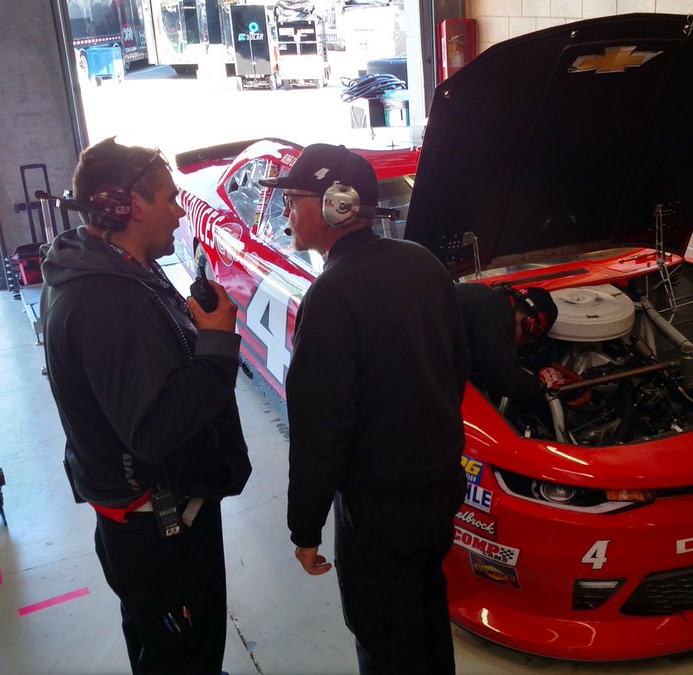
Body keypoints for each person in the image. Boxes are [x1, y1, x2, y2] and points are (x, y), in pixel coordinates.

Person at [41, 137, 252, 674]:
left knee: (172, 646)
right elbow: (155, 433)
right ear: (130, 207)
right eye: (168, 198)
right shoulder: (107, 302)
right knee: (181, 651)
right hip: (158, 526)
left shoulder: (109, 268)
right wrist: (218, 343)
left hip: (151, 519)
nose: (181, 209)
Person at [267, 144, 469, 674]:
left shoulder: (332, 295)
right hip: (438, 493)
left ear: (337, 205)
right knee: (426, 620)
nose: (286, 210)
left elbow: (320, 432)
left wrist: (304, 529)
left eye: (294, 199)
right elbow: (456, 369)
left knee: (385, 640)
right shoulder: (422, 263)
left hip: (379, 515)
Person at [455, 282, 579, 402]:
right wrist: (541, 384)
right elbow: (505, 380)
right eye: (528, 337)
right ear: (529, 324)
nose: (522, 344)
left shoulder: (488, 297)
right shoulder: (497, 310)